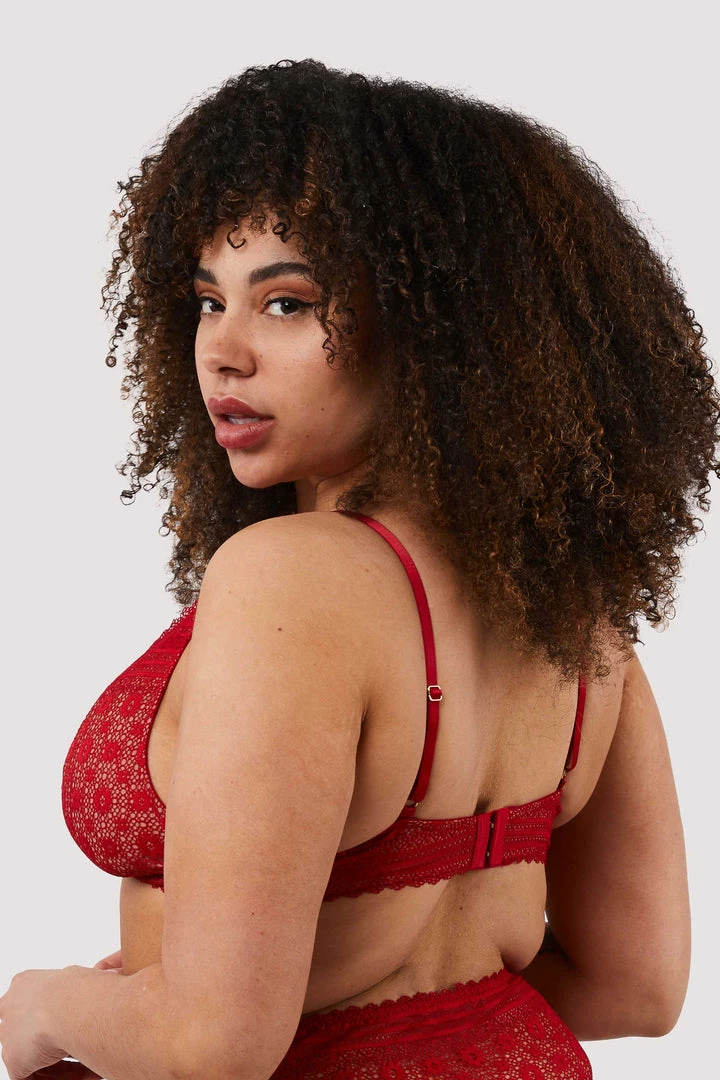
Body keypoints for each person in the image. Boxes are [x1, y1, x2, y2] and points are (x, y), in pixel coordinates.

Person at [1, 57, 716, 1080]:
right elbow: (636, 985)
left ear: (440, 329)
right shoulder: (575, 613)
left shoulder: (289, 581)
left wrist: (51, 1010)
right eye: (208, 300)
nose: (222, 351)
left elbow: (212, 1046)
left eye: (287, 303)